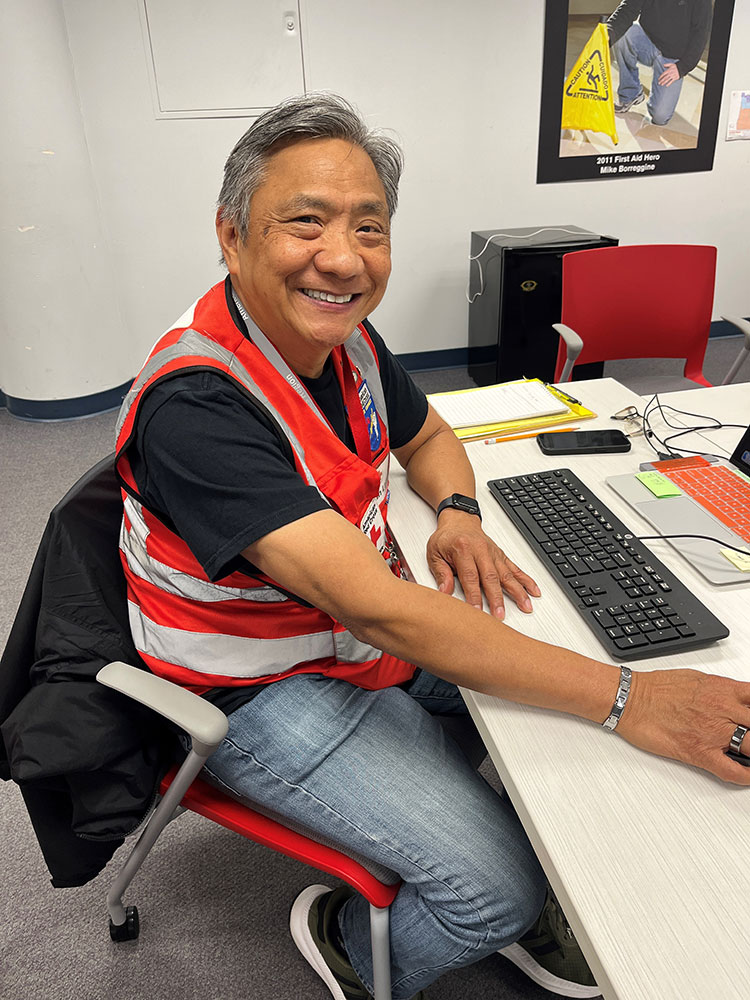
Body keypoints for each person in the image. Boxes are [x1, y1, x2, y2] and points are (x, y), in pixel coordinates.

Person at [114, 92, 750, 1000]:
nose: (342, 258)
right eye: (306, 223)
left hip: (358, 641)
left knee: (566, 666)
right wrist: (629, 700)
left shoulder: (342, 337)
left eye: (368, 227)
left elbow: (428, 437)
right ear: (232, 233)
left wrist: (455, 512)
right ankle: (350, 945)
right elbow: (377, 604)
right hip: (262, 688)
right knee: (499, 889)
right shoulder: (199, 402)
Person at [606, 0, 712, 125]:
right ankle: (631, 93)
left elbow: (701, 32)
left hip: (672, 59)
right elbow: (627, 8)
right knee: (622, 34)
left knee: (660, 117)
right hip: (648, 43)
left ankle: (659, 102)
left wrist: (682, 67)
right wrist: (606, 34)